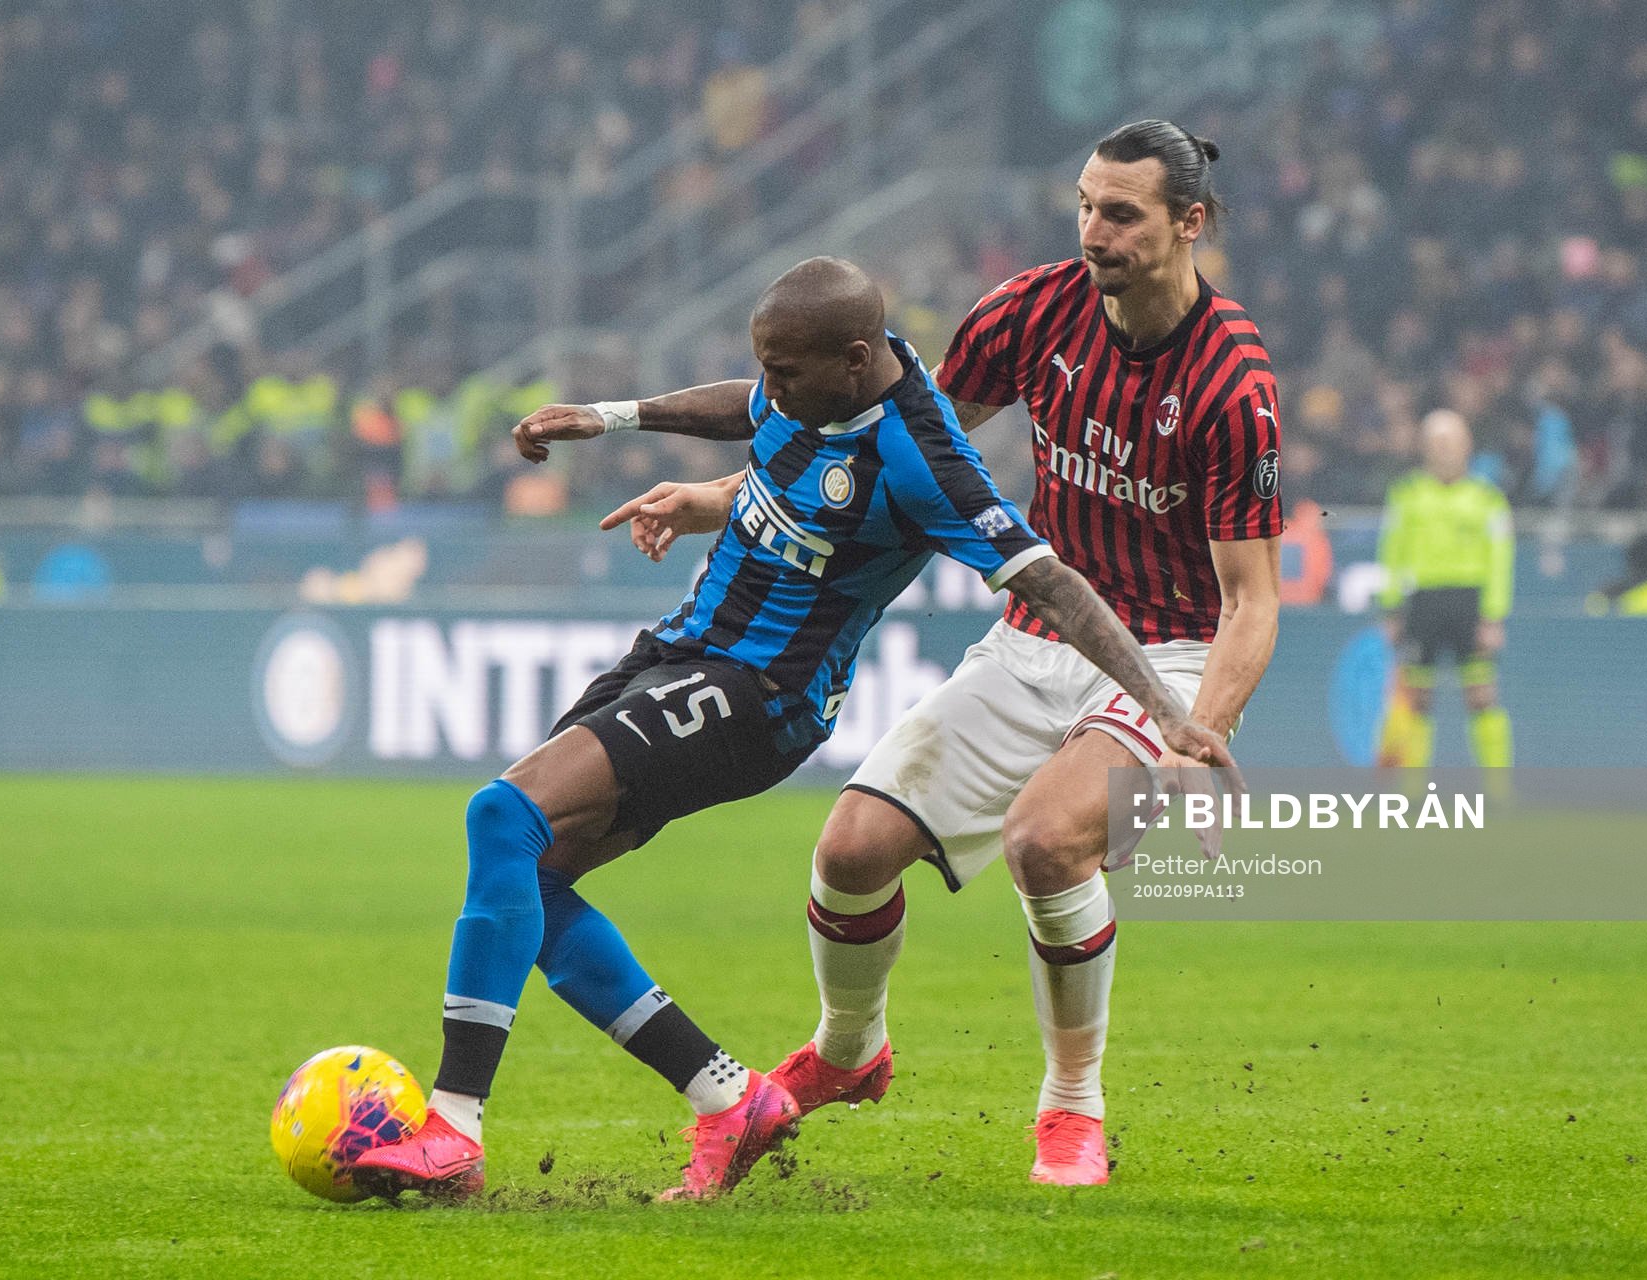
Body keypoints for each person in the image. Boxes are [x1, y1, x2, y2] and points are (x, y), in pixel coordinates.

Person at [350, 256, 1232, 1202]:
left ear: (854, 361)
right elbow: (746, 408)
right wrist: (614, 417)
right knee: (529, 872)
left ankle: (453, 1128)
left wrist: (1174, 713)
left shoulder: (922, 459)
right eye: (764, 366)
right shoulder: (811, 388)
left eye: (786, 372)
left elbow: (1050, 580)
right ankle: (729, 1098)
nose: (770, 389)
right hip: (680, 650)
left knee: (502, 815)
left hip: (759, 692)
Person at [607, 121, 1284, 1185]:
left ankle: (1072, 1106)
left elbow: (1253, 600)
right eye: (1084, 204)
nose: (1093, 232)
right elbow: (883, 449)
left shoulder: (1232, 384)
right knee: (850, 853)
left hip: (1169, 654)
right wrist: (710, 501)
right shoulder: (1030, 310)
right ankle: (848, 1050)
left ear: (1189, 223)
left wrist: (1204, 731)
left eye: (1122, 214)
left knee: (1046, 841)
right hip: (1032, 639)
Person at [1375, 409, 1515, 769]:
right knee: (1416, 699)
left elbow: (1500, 562)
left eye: (1450, 441)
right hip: (1422, 602)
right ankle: (1408, 798)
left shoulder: (1488, 499)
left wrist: (1494, 616)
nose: (1444, 450)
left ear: (1467, 446)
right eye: (1436, 442)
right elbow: (1391, 554)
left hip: (1470, 603)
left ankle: (1500, 794)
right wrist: (1391, 610)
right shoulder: (1406, 495)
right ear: (1423, 448)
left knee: (1482, 696)